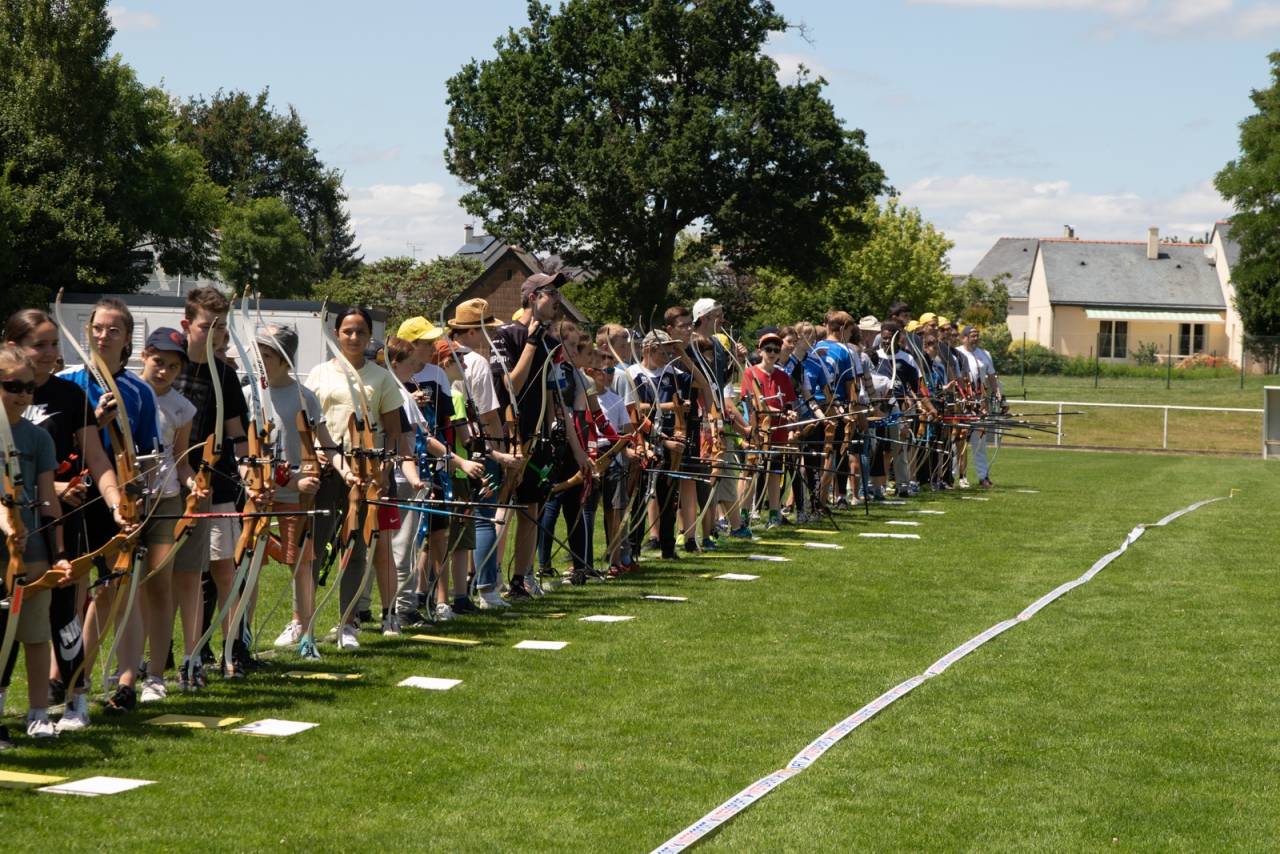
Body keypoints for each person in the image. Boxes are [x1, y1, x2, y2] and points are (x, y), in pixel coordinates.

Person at [2, 310, 127, 730]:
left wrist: (115, 504)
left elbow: (96, 458)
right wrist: (53, 488)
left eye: (55, 344)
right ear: (14, 347)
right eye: (40, 344)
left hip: (59, 524)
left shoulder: (70, 395)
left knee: (63, 614)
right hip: (13, 525)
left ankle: (76, 699)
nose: (51, 353)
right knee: (8, 617)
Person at [59, 298, 162, 712]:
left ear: (127, 339)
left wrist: (141, 501)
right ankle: (68, 679)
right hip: (73, 496)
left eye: (113, 330)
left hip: (120, 501)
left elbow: (149, 456)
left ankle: (125, 683)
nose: (103, 336)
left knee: (118, 589)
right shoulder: (68, 383)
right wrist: (93, 424)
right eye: (97, 328)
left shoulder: (139, 391)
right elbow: (56, 446)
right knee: (72, 589)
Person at [488, 274, 592, 600]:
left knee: (530, 509)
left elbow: (551, 396)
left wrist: (561, 439)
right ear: (533, 297)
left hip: (537, 438)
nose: (558, 299)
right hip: (509, 435)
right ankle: (490, 582)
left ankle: (521, 580)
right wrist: (532, 343)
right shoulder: (505, 334)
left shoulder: (550, 342)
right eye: (552, 292)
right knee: (503, 506)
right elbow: (511, 387)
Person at [305, 307, 403, 647]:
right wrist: (313, 450)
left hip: (365, 471)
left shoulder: (382, 377)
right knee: (314, 546)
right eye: (347, 331)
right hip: (324, 468)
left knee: (356, 547)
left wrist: (384, 470)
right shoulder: (319, 373)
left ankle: (348, 623)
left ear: (369, 335)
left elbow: (393, 431)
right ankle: (302, 623)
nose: (354, 337)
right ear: (336, 334)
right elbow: (306, 421)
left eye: (361, 331)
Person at [171, 287, 252, 686]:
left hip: (216, 484)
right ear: (187, 325)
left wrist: (251, 473)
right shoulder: (169, 366)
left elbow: (239, 435)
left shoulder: (225, 375)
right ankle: (170, 656)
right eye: (207, 326)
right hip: (171, 484)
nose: (216, 334)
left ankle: (231, 650)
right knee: (173, 573)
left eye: (221, 327)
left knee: (222, 567)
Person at [0, 346, 75, 745]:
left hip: (32, 552)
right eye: (13, 386)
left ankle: (38, 713)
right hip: (4, 549)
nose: (23, 395)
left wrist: (58, 554)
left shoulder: (38, 437)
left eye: (29, 387)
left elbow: (48, 500)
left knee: (34, 633)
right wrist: (6, 523)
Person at [136, 328, 199, 699]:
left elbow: (182, 461)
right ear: (144, 355)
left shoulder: (182, 408)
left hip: (167, 502)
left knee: (159, 587)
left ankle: (155, 675)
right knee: (120, 589)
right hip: (128, 502)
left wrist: (194, 484)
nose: (164, 371)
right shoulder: (125, 393)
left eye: (173, 367)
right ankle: (123, 668)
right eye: (158, 361)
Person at [739, 331, 797, 529]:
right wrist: (783, 413)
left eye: (776, 350)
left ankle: (774, 515)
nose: (772, 353)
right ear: (760, 351)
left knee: (774, 472)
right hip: (757, 431)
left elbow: (788, 405)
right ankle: (743, 515)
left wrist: (791, 425)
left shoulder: (783, 376)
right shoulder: (750, 373)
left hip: (778, 432)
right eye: (768, 349)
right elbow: (756, 404)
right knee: (750, 471)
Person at [959, 325, 1002, 487]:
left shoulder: (985, 354)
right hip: (962, 402)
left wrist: (999, 395)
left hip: (980, 402)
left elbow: (992, 377)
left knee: (979, 442)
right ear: (963, 338)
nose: (975, 338)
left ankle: (983, 476)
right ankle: (954, 476)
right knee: (959, 441)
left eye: (977, 335)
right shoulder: (957, 353)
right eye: (972, 336)